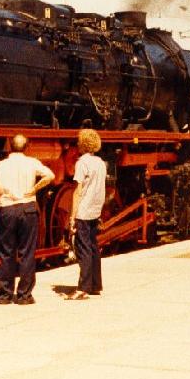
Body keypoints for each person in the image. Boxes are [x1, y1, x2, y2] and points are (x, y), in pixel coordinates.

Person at [0, 134, 54, 305]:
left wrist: (4, 198)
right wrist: (34, 189)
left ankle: (5, 295)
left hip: (8, 209)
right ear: (27, 147)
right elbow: (50, 175)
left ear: (10, 147)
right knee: (27, 252)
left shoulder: (0, 165)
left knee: (7, 252)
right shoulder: (32, 162)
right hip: (28, 208)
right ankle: (24, 295)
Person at [65, 128, 107, 301]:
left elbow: (78, 191)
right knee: (93, 247)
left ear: (82, 144)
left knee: (83, 249)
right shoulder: (100, 162)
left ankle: (83, 288)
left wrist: (72, 216)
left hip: (83, 210)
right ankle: (95, 284)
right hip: (96, 209)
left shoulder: (82, 163)